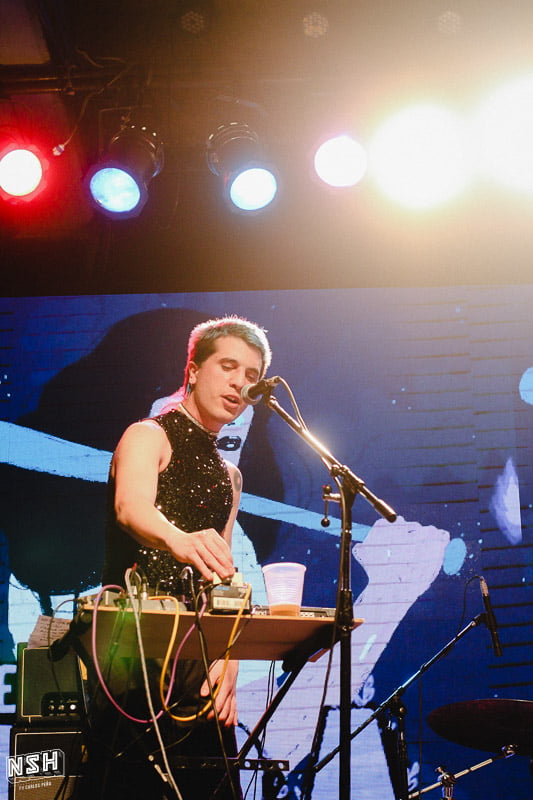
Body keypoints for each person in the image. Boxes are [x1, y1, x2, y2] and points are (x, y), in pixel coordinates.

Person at [81, 315, 272, 800]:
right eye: (228, 366)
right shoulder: (149, 435)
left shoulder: (229, 476)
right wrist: (179, 539)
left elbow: (223, 578)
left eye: (251, 375)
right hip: (134, 653)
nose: (240, 382)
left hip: (198, 662)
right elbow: (130, 508)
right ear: (193, 370)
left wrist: (230, 656)